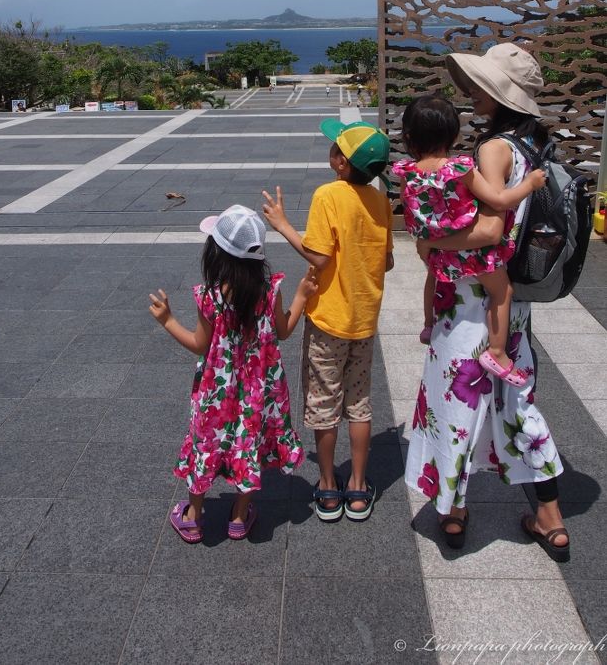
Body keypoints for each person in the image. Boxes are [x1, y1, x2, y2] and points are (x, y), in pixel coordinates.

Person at [404, 43, 569, 561]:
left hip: (468, 299)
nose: (472, 92)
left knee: (455, 402)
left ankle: (453, 510)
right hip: (508, 301)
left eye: (481, 86)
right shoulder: (535, 145)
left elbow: (491, 229)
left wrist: (431, 243)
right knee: (516, 404)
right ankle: (550, 517)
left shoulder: (493, 149)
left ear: (502, 95)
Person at [148, 203, 317, 544]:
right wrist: (300, 295)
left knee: (206, 445)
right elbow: (284, 331)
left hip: (217, 395)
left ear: (217, 256)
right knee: (247, 445)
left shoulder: (210, 298)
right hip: (258, 393)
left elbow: (199, 344)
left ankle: (193, 517)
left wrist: (167, 320)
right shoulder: (269, 292)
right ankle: (239, 517)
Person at [262, 120, 394, 523]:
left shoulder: (328, 195)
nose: (332, 149)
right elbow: (387, 261)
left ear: (341, 163)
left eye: (336, 146)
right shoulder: (381, 201)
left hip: (328, 321)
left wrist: (282, 224)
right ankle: (358, 486)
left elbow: (318, 257)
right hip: (364, 321)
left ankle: (327, 486)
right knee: (359, 403)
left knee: (324, 402)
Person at [394, 94, 546, 383]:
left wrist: (430, 235)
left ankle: (428, 325)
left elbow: (409, 207)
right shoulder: (460, 169)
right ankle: (497, 352)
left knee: (432, 279)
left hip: (438, 251)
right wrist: (529, 184)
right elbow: (498, 200)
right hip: (472, 251)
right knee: (503, 292)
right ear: (453, 135)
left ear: (408, 136)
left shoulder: (407, 173)